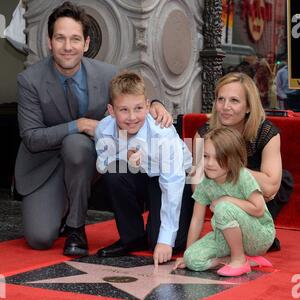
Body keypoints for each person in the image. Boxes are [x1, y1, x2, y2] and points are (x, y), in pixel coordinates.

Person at [14, 1, 172, 257]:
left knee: (76, 146)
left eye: (75, 39)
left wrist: (155, 104)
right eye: (60, 38)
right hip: (43, 163)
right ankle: (62, 206)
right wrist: (79, 124)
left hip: (88, 158)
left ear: (86, 44)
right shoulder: (29, 80)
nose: (68, 47)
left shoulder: (107, 74)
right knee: (40, 238)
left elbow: (131, 97)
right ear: (49, 42)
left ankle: (76, 228)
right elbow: (31, 138)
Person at [94, 71, 194, 267]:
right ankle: (132, 237)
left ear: (148, 106)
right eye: (123, 110)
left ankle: (164, 230)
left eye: (138, 108)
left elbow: (172, 183)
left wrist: (165, 240)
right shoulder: (103, 129)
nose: (132, 117)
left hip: (177, 180)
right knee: (114, 174)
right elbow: (102, 164)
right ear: (111, 110)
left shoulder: (162, 132)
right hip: (140, 177)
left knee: (170, 242)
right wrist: (125, 156)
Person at [192, 72, 294, 252]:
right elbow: (197, 185)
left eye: (234, 101)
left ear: (248, 107)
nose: (225, 107)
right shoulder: (203, 134)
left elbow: (271, 187)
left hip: (257, 203)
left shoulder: (266, 132)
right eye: (221, 99)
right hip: (221, 197)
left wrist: (227, 167)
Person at [174, 127, 275, 277]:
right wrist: (187, 253)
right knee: (192, 260)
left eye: (218, 157)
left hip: (258, 235)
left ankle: (239, 259)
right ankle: (238, 259)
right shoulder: (205, 182)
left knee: (223, 207)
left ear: (233, 158)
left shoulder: (242, 176)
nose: (209, 163)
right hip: (225, 237)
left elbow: (259, 209)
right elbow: (197, 219)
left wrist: (227, 200)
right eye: (206, 156)